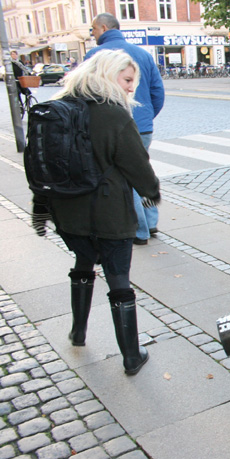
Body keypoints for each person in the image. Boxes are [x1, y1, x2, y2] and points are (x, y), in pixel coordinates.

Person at [32, 50, 160, 375]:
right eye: (128, 80)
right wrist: (151, 193)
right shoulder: (114, 114)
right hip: (109, 214)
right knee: (118, 280)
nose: (131, 88)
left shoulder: (62, 105)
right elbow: (137, 165)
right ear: (109, 74)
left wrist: (41, 208)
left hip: (68, 212)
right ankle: (131, 356)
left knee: (83, 263)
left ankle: (78, 332)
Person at [87, 13, 164, 246]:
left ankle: (139, 231)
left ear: (103, 27)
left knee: (123, 177)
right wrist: (146, 117)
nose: (93, 34)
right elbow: (157, 93)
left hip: (112, 128)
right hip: (142, 127)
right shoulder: (142, 54)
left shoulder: (95, 56)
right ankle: (150, 222)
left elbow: (87, 95)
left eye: (93, 30)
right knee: (142, 169)